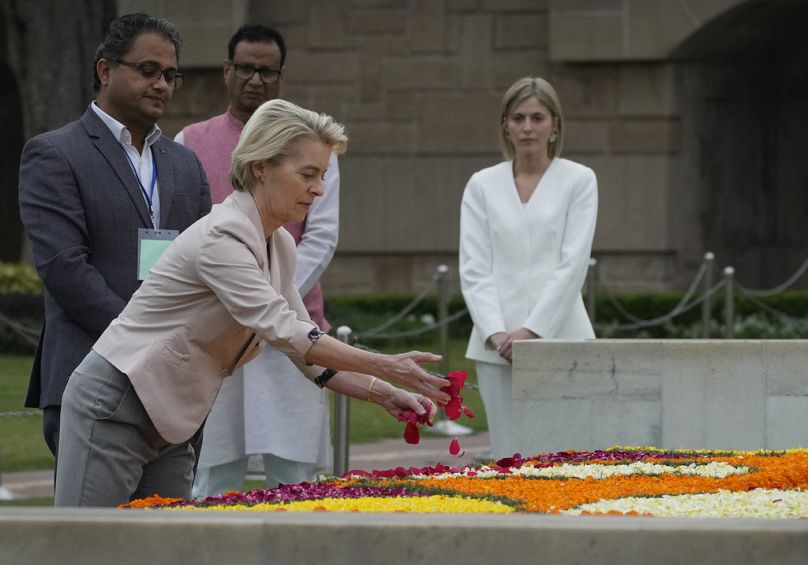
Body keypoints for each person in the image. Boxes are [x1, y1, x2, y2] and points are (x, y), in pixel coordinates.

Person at [53, 99, 450, 507]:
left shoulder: (278, 242)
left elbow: (308, 356)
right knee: (85, 545)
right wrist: (389, 364)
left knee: (163, 549)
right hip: (115, 403)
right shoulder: (223, 236)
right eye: (308, 174)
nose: (318, 188)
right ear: (261, 167)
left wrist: (383, 391)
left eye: (323, 175)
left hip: (171, 421)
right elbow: (290, 332)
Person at [18, 13, 212, 460]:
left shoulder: (186, 164)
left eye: (169, 75)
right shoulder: (55, 153)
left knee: (164, 527)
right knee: (94, 530)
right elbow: (64, 267)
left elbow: (206, 265)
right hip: (91, 372)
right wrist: (143, 341)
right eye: (148, 70)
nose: (161, 84)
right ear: (105, 70)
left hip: (173, 392)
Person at [176, 24, 341, 495]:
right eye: (245, 68)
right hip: (216, 330)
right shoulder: (189, 140)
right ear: (227, 71)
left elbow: (322, 236)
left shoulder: (314, 146)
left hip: (293, 325)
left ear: (280, 76)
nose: (255, 79)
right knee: (213, 471)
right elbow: (189, 231)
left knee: (294, 474)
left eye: (266, 71)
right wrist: (241, 300)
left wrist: (266, 300)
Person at [459, 76, 598, 459]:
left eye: (537, 118)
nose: (527, 127)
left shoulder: (579, 180)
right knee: (508, 453)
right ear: (506, 124)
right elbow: (474, 266)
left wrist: (532, 331)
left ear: (554, 123)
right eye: (518, 118)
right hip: (495, 344)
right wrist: (496, 332)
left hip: (563, 336)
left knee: (565, 454)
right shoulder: (482, 184)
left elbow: (572, 264)